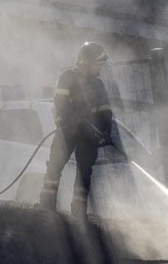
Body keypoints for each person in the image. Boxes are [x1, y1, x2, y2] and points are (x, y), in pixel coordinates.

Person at [40, 42, 113, 218]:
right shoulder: (68, 77)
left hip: (89, 136)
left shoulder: (98, 85)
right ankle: (47, 206)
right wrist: (69, 120)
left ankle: (79, 211)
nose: (100, 68)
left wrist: (105, 130)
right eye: (97, 63)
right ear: (86, 62)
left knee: (84, 171)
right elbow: (60, 102)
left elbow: (105, 111)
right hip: (67, 131)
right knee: (55, 167)